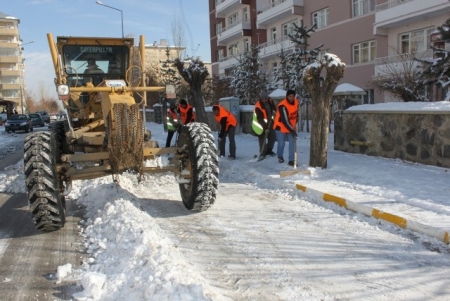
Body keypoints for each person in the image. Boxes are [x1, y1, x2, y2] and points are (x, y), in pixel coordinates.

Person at [273, 89, 299, 166]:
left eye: (293, 96)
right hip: (280, 127)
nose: (291, 98)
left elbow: (296, 114)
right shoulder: (282, 106)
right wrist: (292, 130)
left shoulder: (296, 102)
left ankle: (291, 160)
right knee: (281, 143)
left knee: (292, 143)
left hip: (290, 127)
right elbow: (285, 120)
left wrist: (295, 124)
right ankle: (280, 156)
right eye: (289, 96)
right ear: (287, 96)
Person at [252, 91, 276, 157]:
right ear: (260, 99)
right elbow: (260, 119)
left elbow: (273, 107)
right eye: (263, 99)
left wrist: (274, 110)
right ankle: (263, 152)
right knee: (262, 137)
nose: (264, 100)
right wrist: (265, 128)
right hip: (260, 124)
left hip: (270, 121)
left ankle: (269, 149)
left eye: (265, 99)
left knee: (273, 136)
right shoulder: (258, 106)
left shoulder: (270, 101)